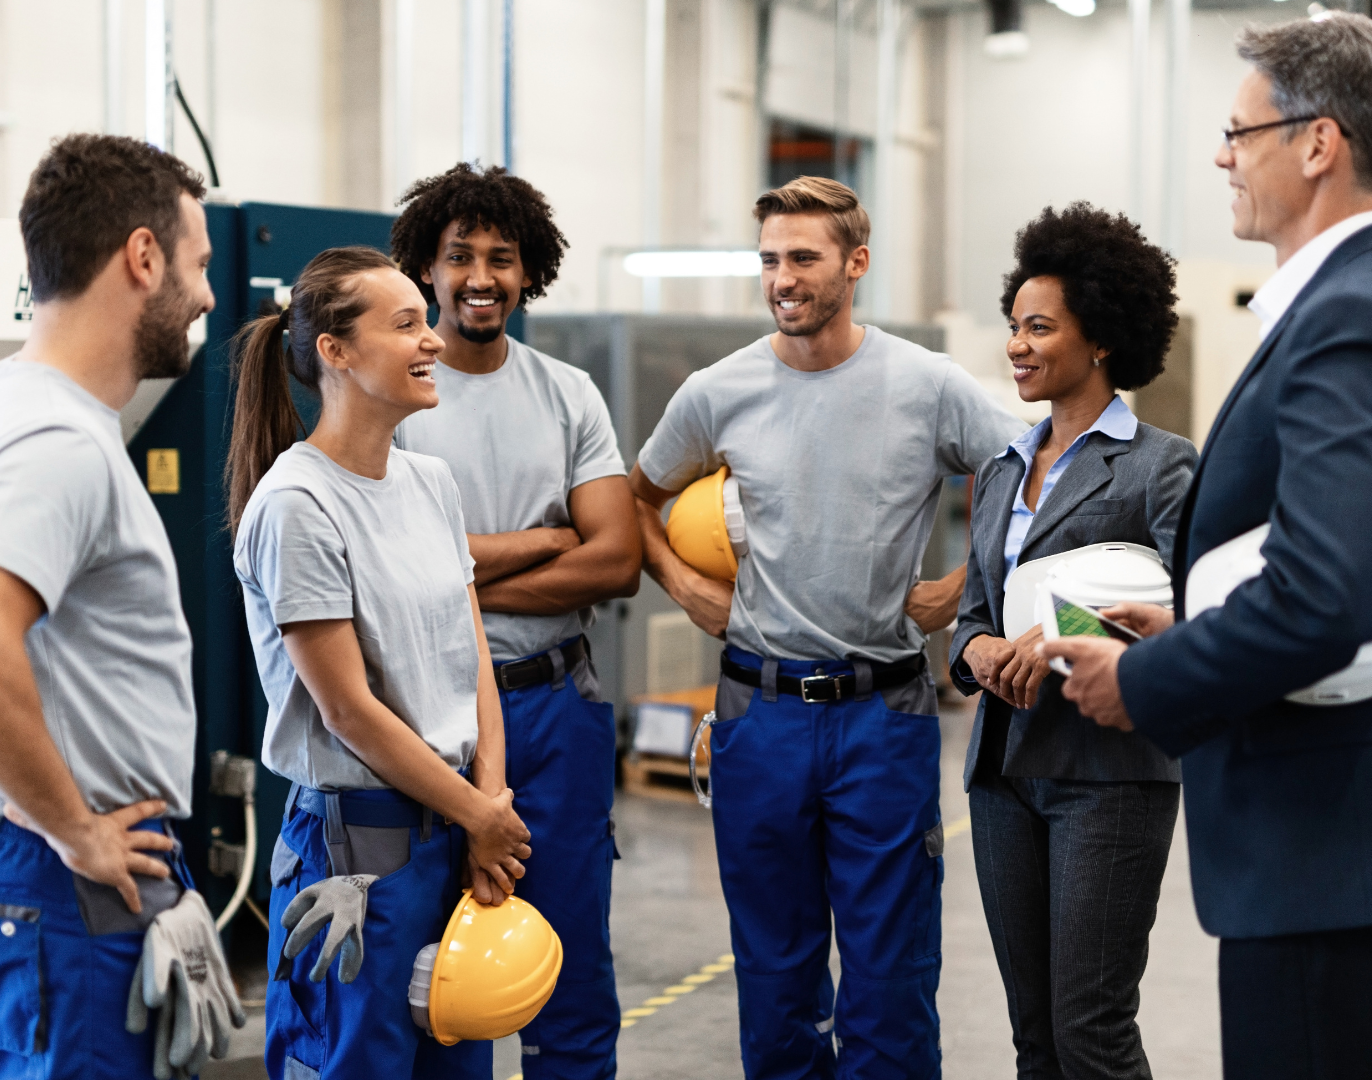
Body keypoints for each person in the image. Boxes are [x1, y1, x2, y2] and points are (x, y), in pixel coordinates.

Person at [1040, 14, 1372, 1080]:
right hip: (1366, 854)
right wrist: (1197, 624)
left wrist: (1152, 678)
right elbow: (1360, 567)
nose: (1225, 155)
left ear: (1319, 143)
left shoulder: (1356, 316)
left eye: (1240, 130)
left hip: (1334, 852)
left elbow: (1326, 596)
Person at [630, 176, 1026, 1080]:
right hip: (757, 715)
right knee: (775, 985)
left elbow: (1034, 475)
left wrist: (966, 590)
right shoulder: (716, 391)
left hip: (881, 717)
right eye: (769, 260)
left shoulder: (926, 385)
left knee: (890, 988)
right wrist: (682, 582)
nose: (782, 279)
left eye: (802, 258)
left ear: (856, 263)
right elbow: (636, 498)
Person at [0, 133, 241, 1078]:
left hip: (45, 870)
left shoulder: (9, 404)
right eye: (198, 263)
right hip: (62, 878)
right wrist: (76, 827)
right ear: (143, 258)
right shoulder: (54, 440)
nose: (211, 297)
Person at [226, 246, 532, 1080]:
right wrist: (476, 813)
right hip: (357, 853)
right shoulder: (297, 506)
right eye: (406, 324)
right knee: (352, 1063)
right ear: (336, 352)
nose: (432, 338)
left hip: (453, 835)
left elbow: (474, 660)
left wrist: (485, 807)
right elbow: (349, 712)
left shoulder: (431, 483)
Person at [389, 163, 640, 1080]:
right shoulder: (397, 393)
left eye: (502, 258)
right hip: (430, 717)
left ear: (530, 272)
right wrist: (543, 540)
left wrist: (449, 576)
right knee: (430, 971)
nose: (480, 277)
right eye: (460, 257)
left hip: (554, 711)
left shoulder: (567, 392)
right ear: (426, 266)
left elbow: (614, 559)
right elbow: (386, 576)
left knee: (569, 959)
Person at [950, 203, 1194, 1080]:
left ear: (1101, 338)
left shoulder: (1164, 467)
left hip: (1110, 777)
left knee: (1090, 1028)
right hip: (1003, 773)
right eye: (1013, 327)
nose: (1017, 345)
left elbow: (1191, 614)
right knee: (1034, 1038)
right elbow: (972, 615)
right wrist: (980, 654)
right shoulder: (1004, 467)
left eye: (1039, 327)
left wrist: (1052, 639)